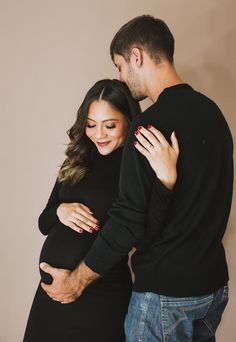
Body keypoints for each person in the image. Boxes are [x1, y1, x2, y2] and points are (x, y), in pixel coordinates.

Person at [40, 15, 233, 341]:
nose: (121, 77)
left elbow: (129, 221)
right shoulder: (213, 113)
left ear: (137, 57)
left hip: (166, 295)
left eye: (119, 65)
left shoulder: (149, 126)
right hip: (211, 286)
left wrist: (76, 281)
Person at [23, 78, 179, 341]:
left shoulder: (136, 164)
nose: (98, 134)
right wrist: (60, 210)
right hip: (49, 298)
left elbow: (147, 236)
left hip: (99, 295)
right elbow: (43, 221)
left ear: (129, 121)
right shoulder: (78, 158)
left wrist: (166, 182)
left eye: (110, 125)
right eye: (91, 124)